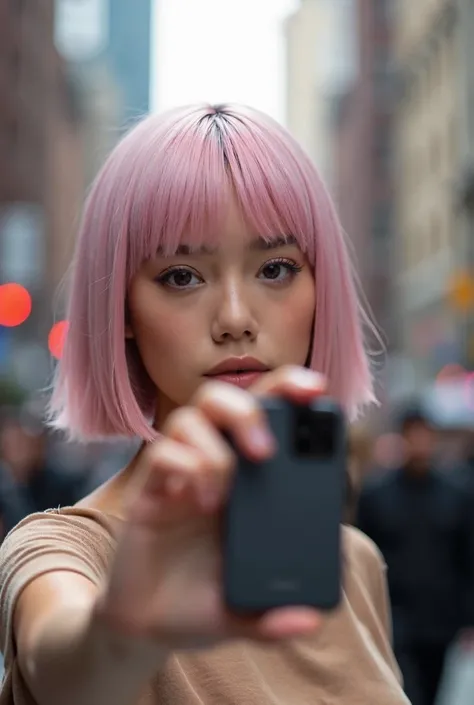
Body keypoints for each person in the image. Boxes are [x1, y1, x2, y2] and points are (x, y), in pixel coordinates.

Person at [0, 104, 409, 705]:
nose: (236, 319)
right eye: (181, 276)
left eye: (276, 268)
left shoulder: (353, 561)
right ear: (122, 309)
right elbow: (67, 665)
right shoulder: (63, 552)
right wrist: (122, 632)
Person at [356, 402, 474, 705]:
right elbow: (362, 557)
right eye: (413, 434)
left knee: (433, 689)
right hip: (395, 615)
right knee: (407, 691)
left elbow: (467, 556)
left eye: (425, 434)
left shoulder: (457, 493)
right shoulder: (377, 494)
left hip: (441, 618)